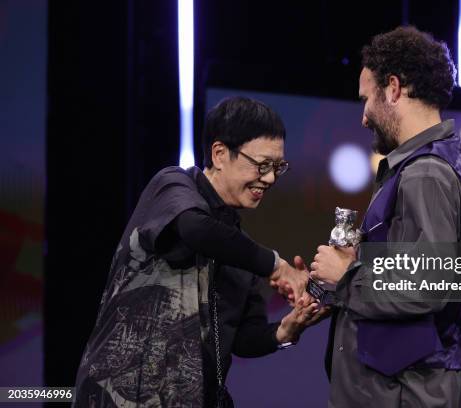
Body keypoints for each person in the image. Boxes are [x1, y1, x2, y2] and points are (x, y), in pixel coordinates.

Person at [73, 96, 323, 407]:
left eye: (277, 167)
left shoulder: (237, 246)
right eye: (262, 165)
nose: (270, 178)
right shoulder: (172, 187)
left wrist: (284, 331)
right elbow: (195, 230)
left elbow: (242, 338)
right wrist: (276, 265)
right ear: (219, 154)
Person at [309, 26, 461, 407]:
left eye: (366, 99)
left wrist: (347, 277)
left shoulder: (426, 172)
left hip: (400, 394)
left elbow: (426, 285)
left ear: (393, 88)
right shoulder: (433, 164)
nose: (364, 117)